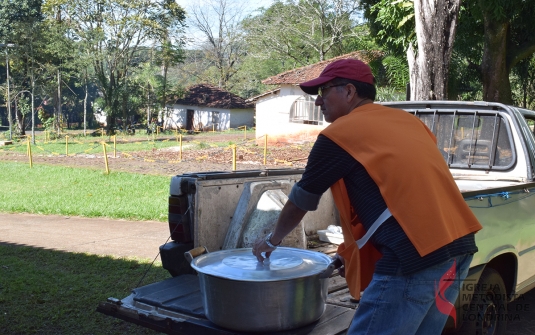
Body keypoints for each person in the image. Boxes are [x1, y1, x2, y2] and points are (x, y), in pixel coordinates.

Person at [252, 59, 482, 334]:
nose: (317, 102)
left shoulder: (339, 135)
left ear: (349, 91)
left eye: (323, 92)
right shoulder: (409, 123)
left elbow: (301, 201)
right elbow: (398, 197)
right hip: (460, 247)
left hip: (413, 258)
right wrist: (348, 254)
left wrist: (271, 241)